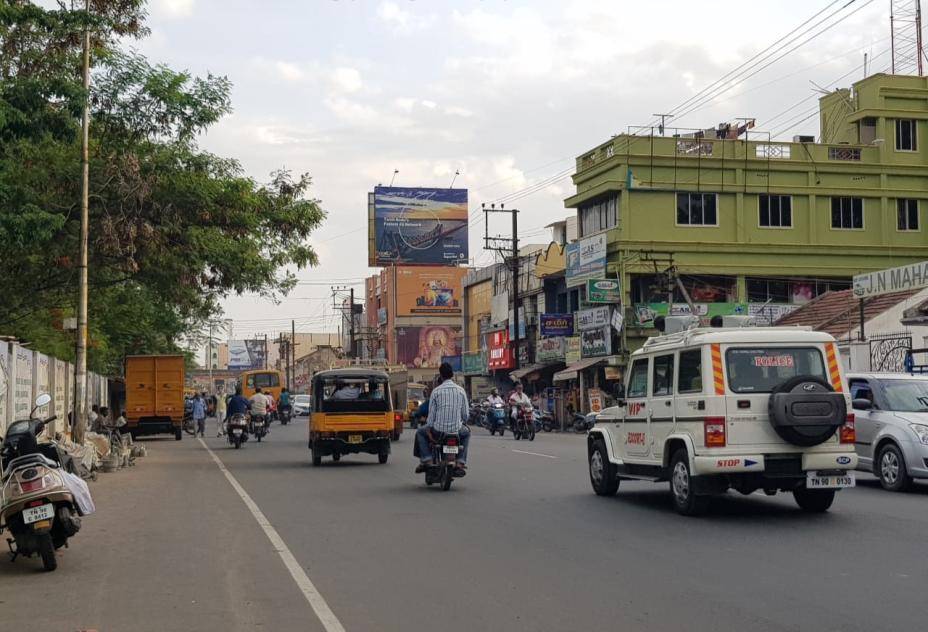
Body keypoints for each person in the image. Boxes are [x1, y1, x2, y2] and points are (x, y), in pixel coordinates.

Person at [415, 362, 470, 476]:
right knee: (467, 433)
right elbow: (465, 416)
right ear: (452, 375)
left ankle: (427, 459)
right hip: (456, 430)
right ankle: (460, 462)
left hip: (438, 430)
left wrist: (429, 429)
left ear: (441, 376)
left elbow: (431, 417)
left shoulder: (436, 391)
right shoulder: (461, 391)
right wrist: (461, 422)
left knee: (420, 432)